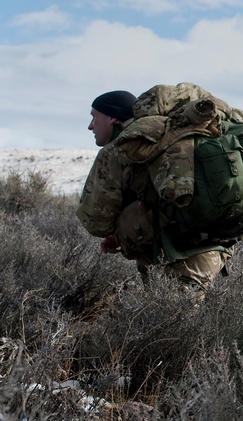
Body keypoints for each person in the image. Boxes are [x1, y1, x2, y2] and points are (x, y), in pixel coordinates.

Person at [77, 89, 233, 290]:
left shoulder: (119, 149)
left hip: (173, 252)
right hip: (215, 246)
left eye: (94, 117)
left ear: (111, 118)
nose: (90, 126)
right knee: (200, 316)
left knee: (172, 318)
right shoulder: (173, 137)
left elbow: (97, 221)